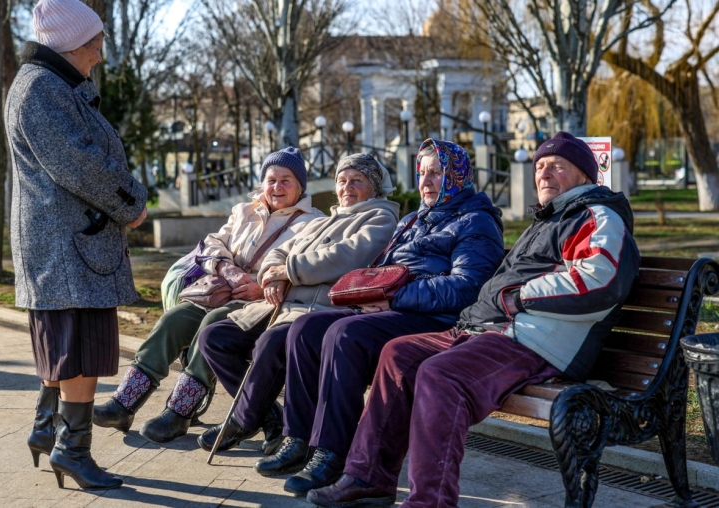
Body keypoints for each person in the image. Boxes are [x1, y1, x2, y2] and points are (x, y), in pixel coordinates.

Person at [308, 131, 641, 507]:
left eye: (557, 167)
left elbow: (600, 281)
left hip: (533, 340)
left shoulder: (595, 214)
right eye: (540, 167)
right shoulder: (550, 218)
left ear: (583, 174)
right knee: (398, 355)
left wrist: (517, 297)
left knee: (441, 375)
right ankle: (368, 477)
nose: (544, 174)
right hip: (488, 330)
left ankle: (430, 501)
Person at [254, 141, 505, 497]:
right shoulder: (413, 219)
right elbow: (380, 271)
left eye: (436, 172)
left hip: (436, 319)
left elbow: (466, 287)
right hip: (393, 309)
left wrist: (393, 297)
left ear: (457, 175)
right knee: (305, 328)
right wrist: (372, 294)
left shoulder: (476, 221)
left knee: (344, 334)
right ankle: (299, 438)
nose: (427, 181)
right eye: (422, 173)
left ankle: (332, 453)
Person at [5, 0, 148, 490]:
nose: (101, 55)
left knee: (70, 349)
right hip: (67, 248)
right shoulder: (42, 90)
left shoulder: (49, 86)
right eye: (96, 44)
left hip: (69, 244)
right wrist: (132, 203)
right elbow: (80, 164)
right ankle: (71, 450)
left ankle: (49, 428)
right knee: (80, 352)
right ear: (71, 45)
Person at [93, 147, 322, 445]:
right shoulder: (244, 210)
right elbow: (212, 243)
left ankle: (180, 412)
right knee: (173, 319)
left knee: (212, 324)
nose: (277, 187)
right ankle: (125, 403)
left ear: (300, 186)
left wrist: (259, 285)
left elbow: (303, 268)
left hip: (261, 303)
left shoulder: (313, 222)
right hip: (222, 290)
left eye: (286, 180)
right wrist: (226, 268)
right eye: (271, 179)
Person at [196, 154, 401, 455]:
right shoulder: (327, 219)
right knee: (213, 337)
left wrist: (289, 271)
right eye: (342, 181)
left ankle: (243, 420)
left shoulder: (380, 217)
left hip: (318, 310)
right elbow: (277, 255)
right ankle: (266, 416)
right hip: (280, 305)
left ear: (374, 186)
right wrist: (274, 276)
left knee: (270, 343)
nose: (347, 188)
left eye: (357, 180)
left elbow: (347, 256)